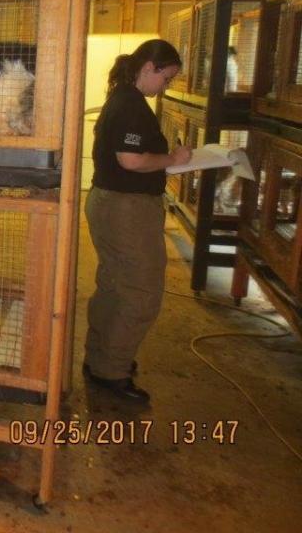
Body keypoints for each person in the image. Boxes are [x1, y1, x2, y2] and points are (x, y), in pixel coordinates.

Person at [83, 39, 192, 403]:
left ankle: (99, 360)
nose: (167, 86)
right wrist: (172, 159)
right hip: (127, 209)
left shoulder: (122, 98)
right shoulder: (131, 105)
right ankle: (111, 371)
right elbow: (130, 160)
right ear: (149, 68)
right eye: (167, 78)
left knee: (113, 283)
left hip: (109, 201)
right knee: (141, 291)